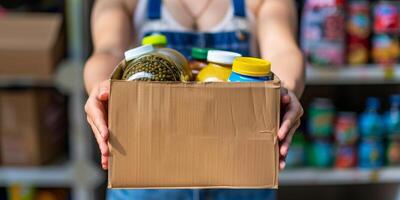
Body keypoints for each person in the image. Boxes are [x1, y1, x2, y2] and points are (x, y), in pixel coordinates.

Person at [84, 0, 304, 199]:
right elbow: (108, 50)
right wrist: (101, 87)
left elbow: (283, 51)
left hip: (238, 179)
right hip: (148, 182)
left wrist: (285, 90)